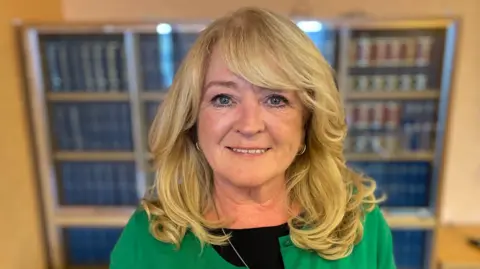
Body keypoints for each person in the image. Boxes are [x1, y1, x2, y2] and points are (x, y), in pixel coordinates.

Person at [110, 6, 396, 269]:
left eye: (275, 99)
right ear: (192, 119)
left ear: (307, 122)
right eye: (223, 98)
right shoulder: (146, 239)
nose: (249, 126)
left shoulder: (360, 222)